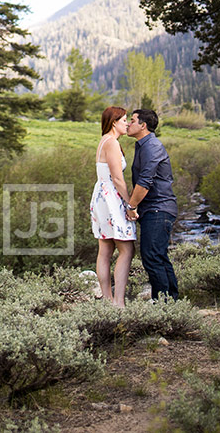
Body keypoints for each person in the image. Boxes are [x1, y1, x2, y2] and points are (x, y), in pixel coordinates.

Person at [126, 108, 179, 301]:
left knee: (152, 257)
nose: (128, 124)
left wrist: (131, 207)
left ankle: (163, 305)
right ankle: (171, 303)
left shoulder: (151, 146)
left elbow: (144, 182)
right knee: (158, 256)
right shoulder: (143, 145)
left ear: (143, 125)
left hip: (159, 208)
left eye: (132, 121)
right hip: (155, 209)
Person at [90, 106, 136, 306]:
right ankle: (118, 302)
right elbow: (117, 178)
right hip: (111, 198)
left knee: (105, 249)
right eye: (124, 120)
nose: (127, 124)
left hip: (100, 196)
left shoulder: (104, 141)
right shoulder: (112, 143)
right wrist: (129, 204)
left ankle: (108, 301)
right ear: (114, 122)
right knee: (126, 249)